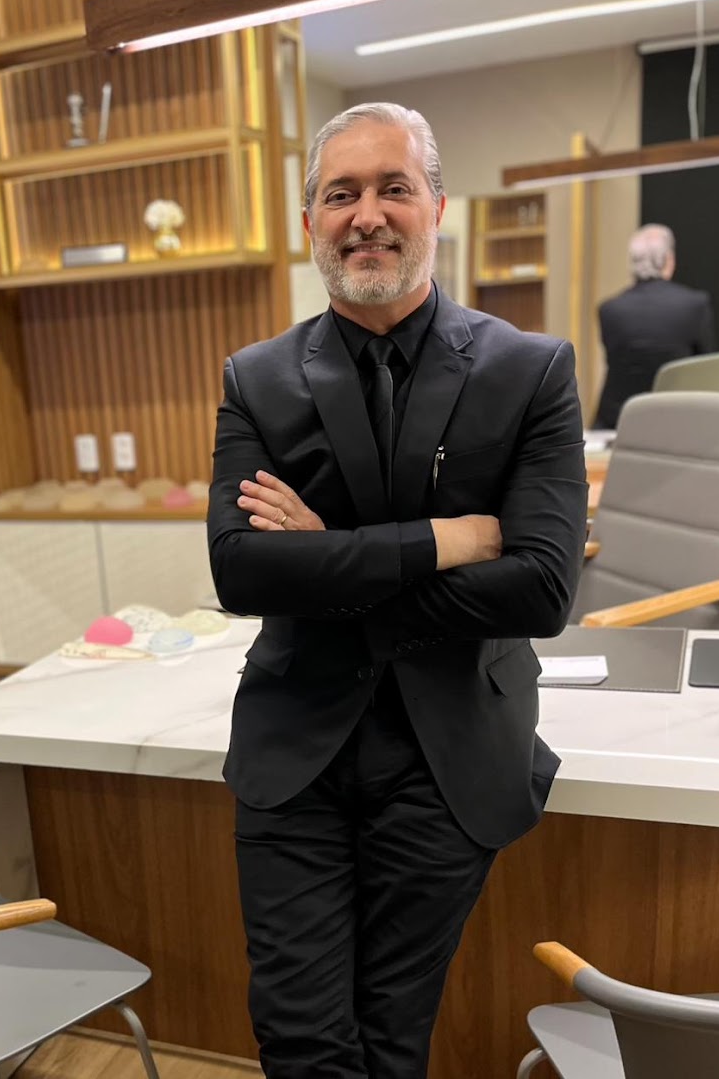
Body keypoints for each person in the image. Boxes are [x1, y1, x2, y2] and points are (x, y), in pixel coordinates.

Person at [207, 102, 587, 1079]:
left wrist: (326, 557)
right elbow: (241, 570)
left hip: (450, 751)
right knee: (300, 1037)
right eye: (341, 194)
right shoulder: (257, 379)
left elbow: (541, 588)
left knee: (389, 1037)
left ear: (436, 207)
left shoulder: (530, 369)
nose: (366, 214)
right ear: (310, 222)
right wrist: (447, 540)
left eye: (393, 188)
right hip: (296, 748)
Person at [594, 223, 714, 429]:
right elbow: (705, 366)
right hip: (677, 420)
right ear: (669, 259)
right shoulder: (695, 305)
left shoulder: (609, 310)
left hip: (619, 421)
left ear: (633, 263)